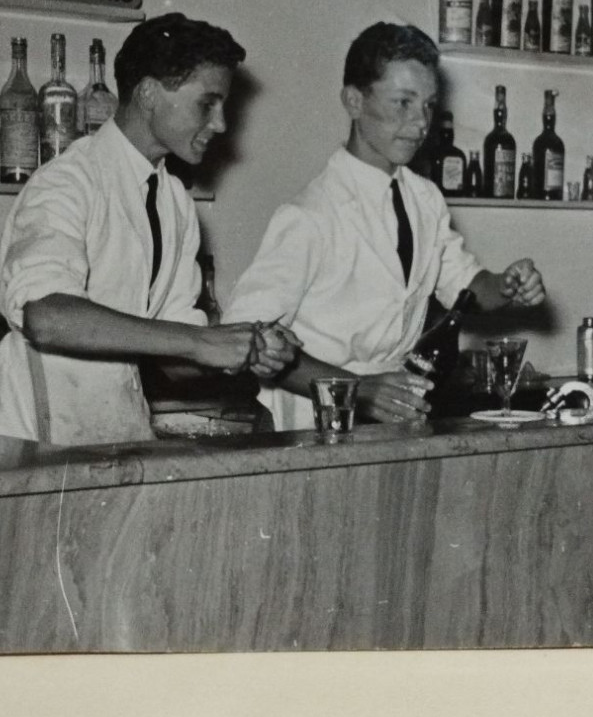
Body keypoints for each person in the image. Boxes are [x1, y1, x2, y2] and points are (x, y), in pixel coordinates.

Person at [0, 13, 299, 444]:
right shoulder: (68, 181)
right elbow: (46, 316)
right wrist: (199, 343)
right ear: (149, 93)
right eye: (206, 103)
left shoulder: (174, 203)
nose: (221, 124)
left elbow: (174, 357)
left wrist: (244, 348)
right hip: (21, 439)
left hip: (109, 432)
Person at [224, 21, 547, 431]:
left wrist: (505, 286)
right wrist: (359, 389)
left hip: (396, 412)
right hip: (312, 424)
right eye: (402, 103)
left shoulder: (424, 198)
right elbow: (248, 338)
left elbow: (466, 287)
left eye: (429, 105)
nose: (419, 124)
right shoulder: (309, 215)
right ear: (354, 101)